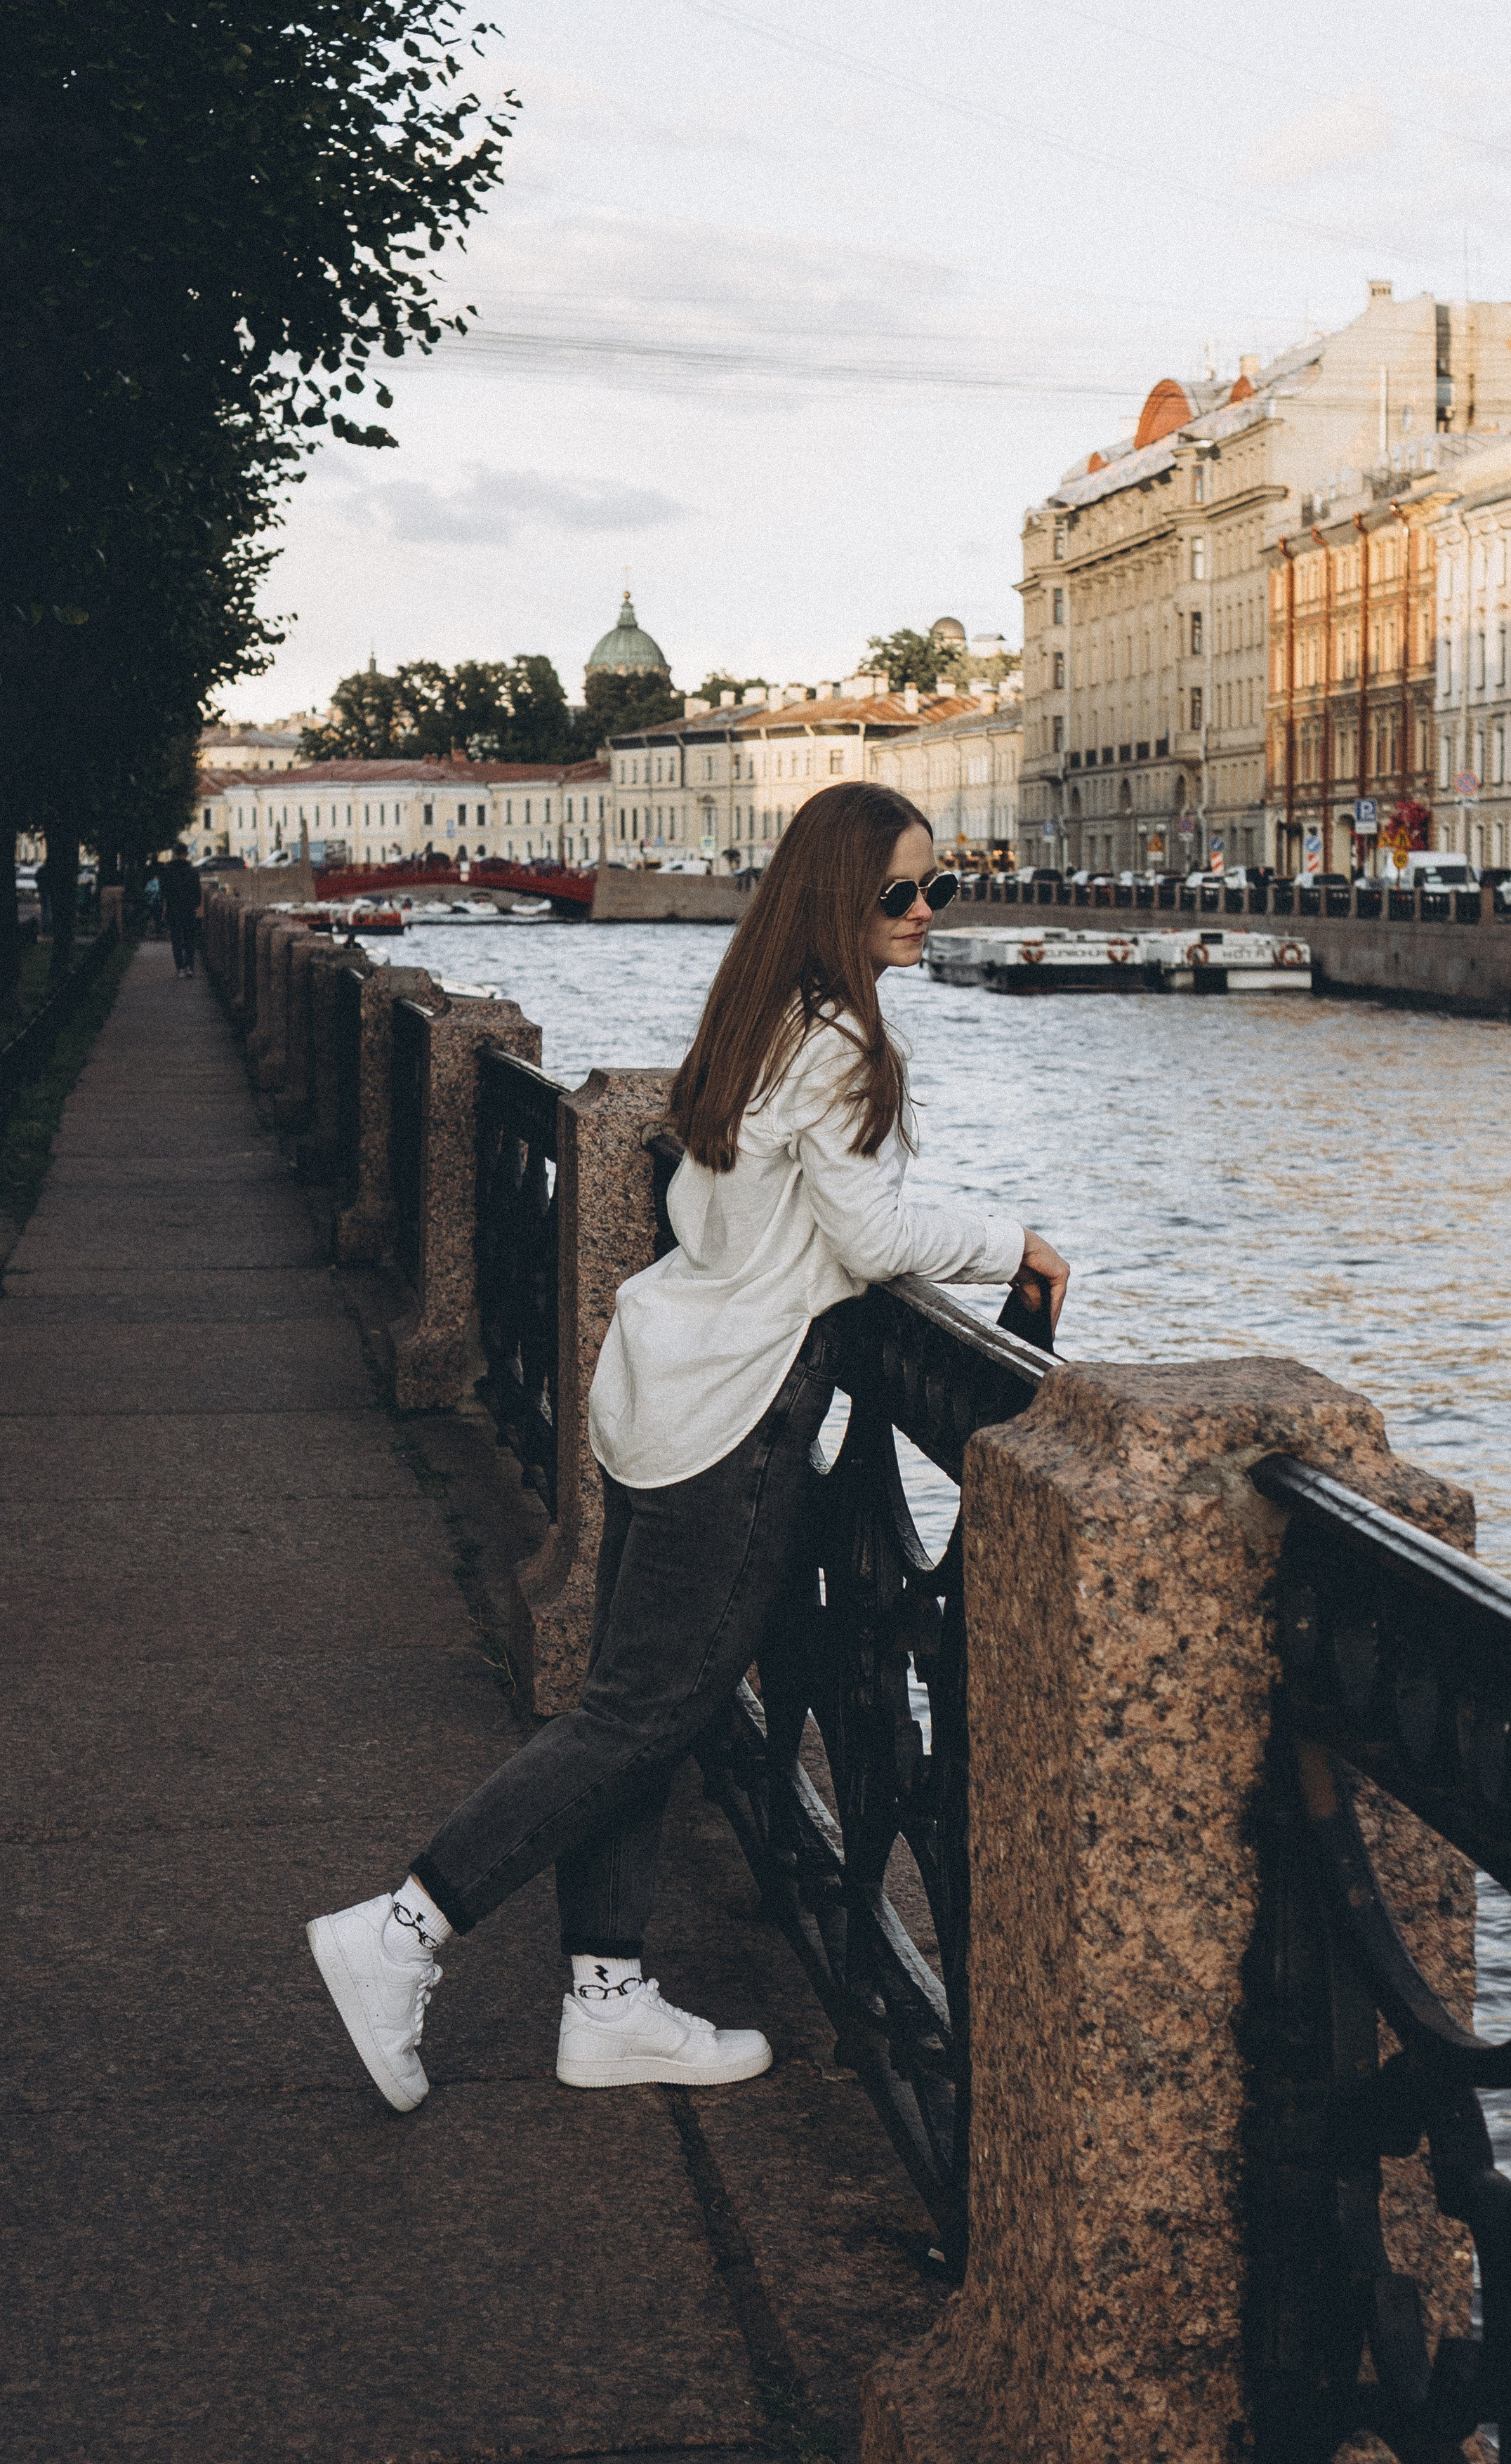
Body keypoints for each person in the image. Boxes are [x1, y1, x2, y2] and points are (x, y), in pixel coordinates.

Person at [306, 784, 1070, 2114]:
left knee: (637, 1706)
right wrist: (1020, 1247)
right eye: (901, 893)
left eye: (937, 888)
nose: (927, 912)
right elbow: (876, 1241)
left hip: (659, 1385)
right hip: (735, 1413)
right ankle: (403, 1930)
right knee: (642, 1713)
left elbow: (748, 1208)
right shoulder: (835, 1043)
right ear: (841, 898)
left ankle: (606, 1999)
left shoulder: (756, 1016)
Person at [160, 845, 202, 977]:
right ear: (186, 853)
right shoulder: (192, 870)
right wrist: (196, 904)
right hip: (189, 909)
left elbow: (164, 891)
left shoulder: (168, 870)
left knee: (177, 939)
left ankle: (180, 969)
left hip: (174, 909)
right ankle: (190, 966)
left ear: (175, 853)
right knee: (190, 938)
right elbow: (197, 891)